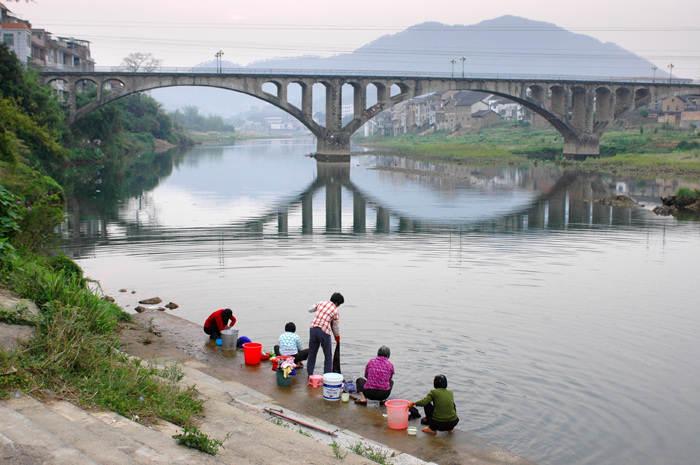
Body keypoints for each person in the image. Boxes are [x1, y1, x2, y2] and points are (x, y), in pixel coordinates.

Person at [306, 292, 344, 377]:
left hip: (313, 329)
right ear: (337, 303)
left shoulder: (321, 303)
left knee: (312, 355)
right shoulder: (335, 311)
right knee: (328, 357)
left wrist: (317, 309)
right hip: (324, 331)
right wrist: (337, 337)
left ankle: (310, 376)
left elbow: (309, 309)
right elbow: (335, 327)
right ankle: (327, 377)